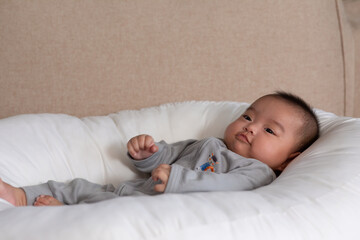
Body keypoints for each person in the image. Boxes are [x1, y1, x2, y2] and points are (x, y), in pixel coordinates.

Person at [0, 91, 320, 207]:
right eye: (248, 116)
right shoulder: (208, 144)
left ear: (287, 160)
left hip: (148, 208)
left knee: (102, 216)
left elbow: (229, 184)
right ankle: (20, 195)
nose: (250, 126)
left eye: (268, 130)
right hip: (128, 192)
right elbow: (169, 157)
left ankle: (62, 216)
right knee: (78, 187)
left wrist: (178, 180)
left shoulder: (258, 172)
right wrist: (148, 154)